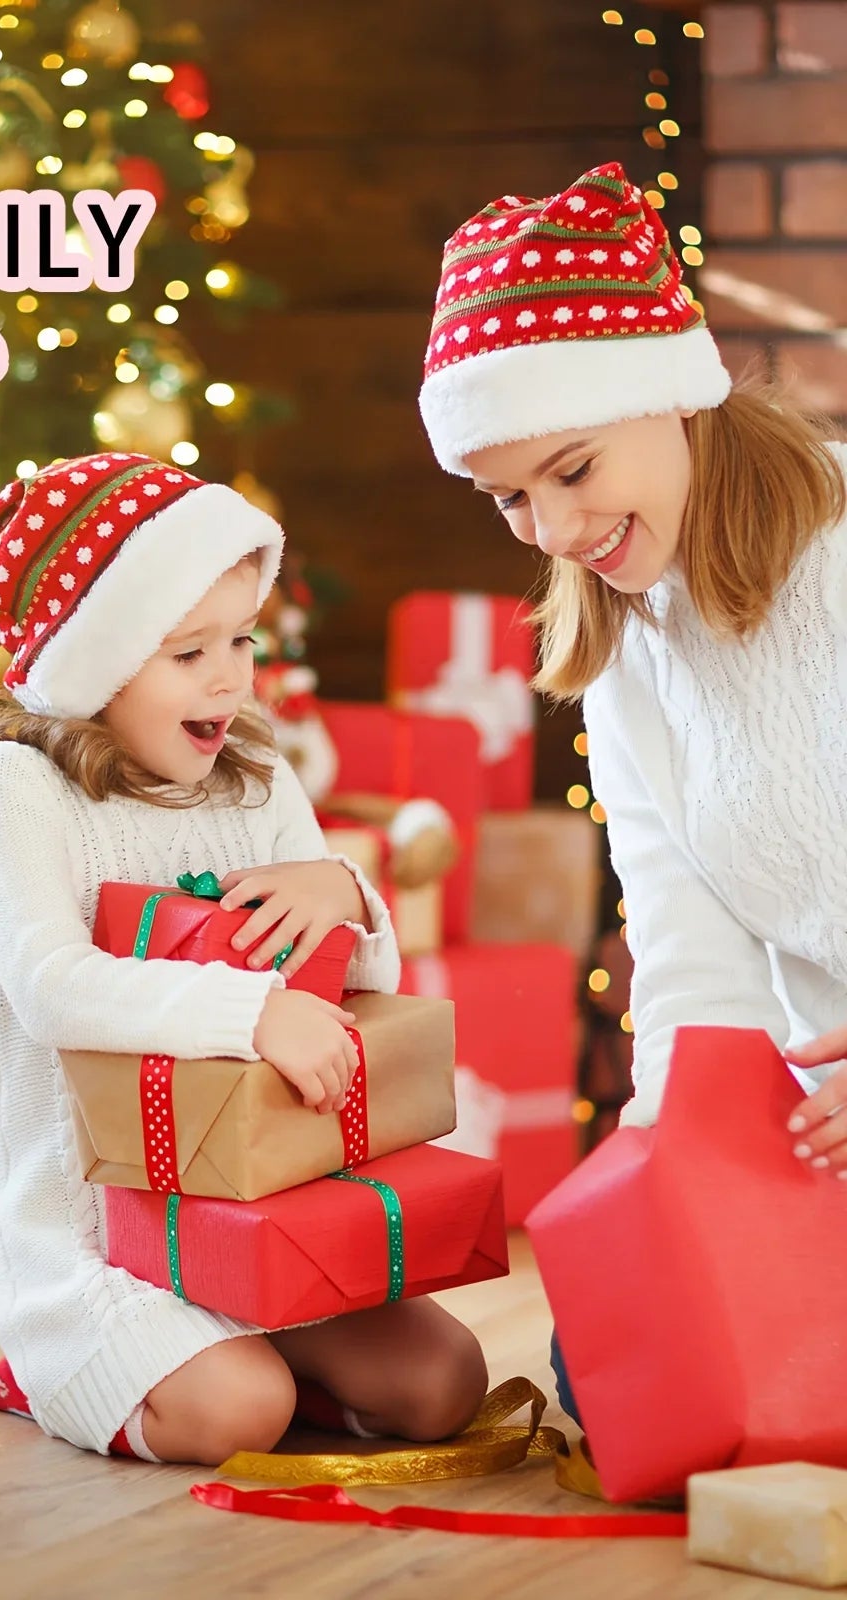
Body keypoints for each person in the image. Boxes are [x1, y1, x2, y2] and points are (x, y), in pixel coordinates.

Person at [0, 454, 489, 1466]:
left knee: (445, 1385)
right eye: (188, 653)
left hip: (260, 1201)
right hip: (86, 1232)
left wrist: (344, 896)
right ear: (92, 660)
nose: (230, 677)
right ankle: (60, 1371)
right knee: (235, 1413)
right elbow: (51, 988)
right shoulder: (10, 786)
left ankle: (255, 1341)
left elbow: (360, 989)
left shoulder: (254, 780)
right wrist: (247, 1011)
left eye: (241, 639)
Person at [416, 160, 847, 1426]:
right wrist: (673, 1188)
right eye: (508, 498)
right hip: (821, 1124)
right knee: (608, 1369)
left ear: (670, 393)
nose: (550, 530)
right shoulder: (627, 648)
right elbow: (686, 956)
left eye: (570, 467)